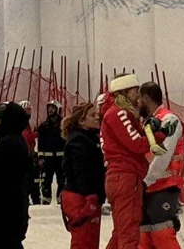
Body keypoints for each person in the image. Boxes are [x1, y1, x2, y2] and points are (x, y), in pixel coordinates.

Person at [100, 74, 153, 249]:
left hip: (119, 177)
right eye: (134, 90)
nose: (138, 94)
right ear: (123, 92)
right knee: (128, 234)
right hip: (126, 177)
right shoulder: (119, 113)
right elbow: (137, 144)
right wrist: (158, 137)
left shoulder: (115, 113)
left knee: (120, 232)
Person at [138, 82, 184, 249]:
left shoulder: (168, 120)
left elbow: (163, 155)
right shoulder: (148, 122)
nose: (137, 104)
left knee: (162, 236)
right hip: (148, 187)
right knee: (144, 237)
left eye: (139, 99)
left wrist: (146, 180)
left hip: (164, 186)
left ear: (145, 98)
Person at [0, 101, 34, 249]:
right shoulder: (19, 141)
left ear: (4, 122)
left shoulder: (2, 144)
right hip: (17, 206)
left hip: (4, 209)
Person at [62, 101, 107, 249]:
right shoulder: (79, 141)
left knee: (90, 241)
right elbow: (80, 172)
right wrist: (90, 197)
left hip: (89, 197)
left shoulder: (90, 138)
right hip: (82, 199)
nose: (97, 118)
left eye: (97, 114)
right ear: (81, 120)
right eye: (92, 115)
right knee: (83, 242)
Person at [37, 100, 67, 204]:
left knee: (62, 180)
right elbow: (40, 144)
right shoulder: (43, 126)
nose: (50, 110)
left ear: (58, 109)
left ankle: (61, 200)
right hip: (47, 159)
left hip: (61, 159)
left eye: (53, 108)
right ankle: (46, 201)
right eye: (49, 108)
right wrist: (40, 158)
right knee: (46, 181)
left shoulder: (64, 125)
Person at [19, 100, 40, 205]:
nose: (28, 113)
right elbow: (27, 137)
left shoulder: (25, 124)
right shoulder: (21, 124)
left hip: (29, 154)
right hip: (26, 156)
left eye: (29, 110)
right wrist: (36, 134)